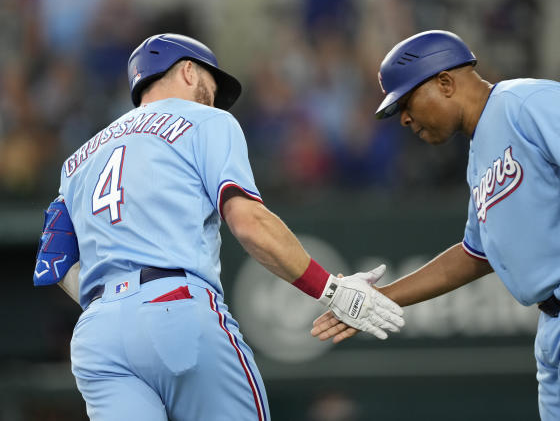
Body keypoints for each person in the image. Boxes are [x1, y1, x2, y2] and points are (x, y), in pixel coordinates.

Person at [32, 33, 404, 421]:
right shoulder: (207, 120)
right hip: (173, 305)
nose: (215, 97)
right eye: (212, 84)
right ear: (189, 71)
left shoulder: (76, 161)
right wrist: (332, 290)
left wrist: (115, 306)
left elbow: (54, 262)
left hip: (98, 334)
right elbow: (249, 223)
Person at [311, 30, 560, 421]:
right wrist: (381, 297)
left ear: (445, 82)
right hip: (557, 321)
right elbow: (473, 254)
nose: (404, 118)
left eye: (407, 101)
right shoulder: (477, 156)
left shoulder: (525, 99)